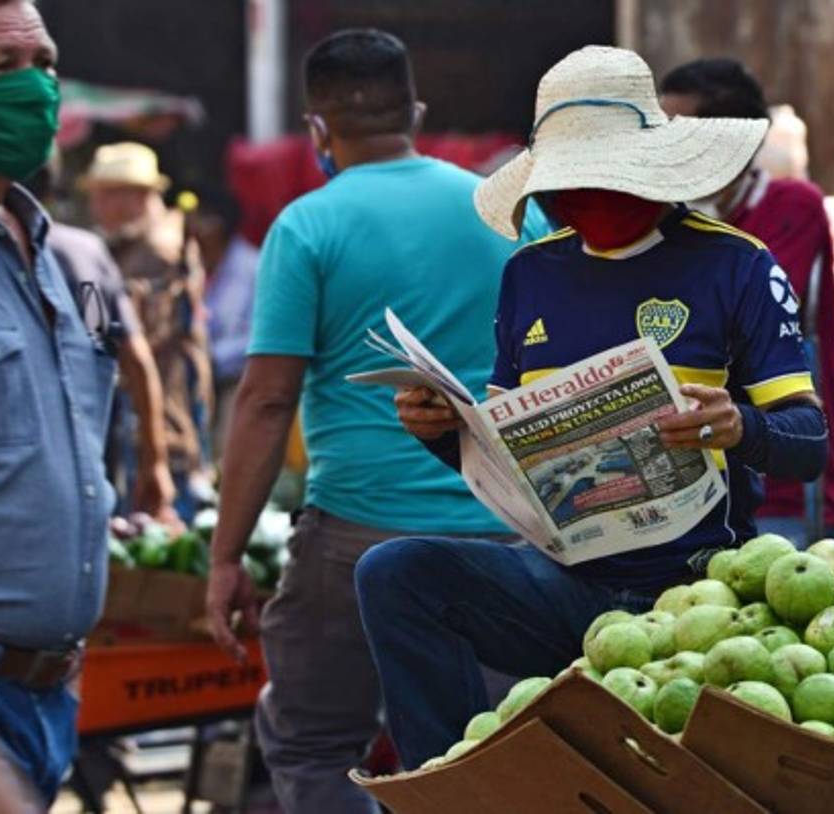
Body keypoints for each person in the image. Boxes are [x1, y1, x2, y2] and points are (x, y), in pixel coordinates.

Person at [356, 45, 829, 769]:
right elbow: (513, 461)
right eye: (563, 185)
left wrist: (741, 426)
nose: (577, 200)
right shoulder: (531, 274)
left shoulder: (736, 264)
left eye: (594, 180)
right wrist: (442, 433)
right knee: (393, 572)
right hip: (566, 581)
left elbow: (810, 437)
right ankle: (451, 783)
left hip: (701, 594)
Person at [204, 30, 546, 813]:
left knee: (314, 742)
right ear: (415, 111)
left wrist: (226, 557)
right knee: (490, 755)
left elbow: (264, 400)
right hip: (504, 533)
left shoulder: (307, 226)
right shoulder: (501, 215)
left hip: (356, 538)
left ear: (317, 129)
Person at [0, 0, 116, 806]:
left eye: (44, 64)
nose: (38, 91)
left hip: (49, 693)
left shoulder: (50, 252)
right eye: (1, 71)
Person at [658, 58, 834, 546]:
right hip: (685, 483)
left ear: (733, 142)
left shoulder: (792, 206)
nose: (666, 146)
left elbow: (748, 311)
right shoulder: (662, 220)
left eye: (681, 131)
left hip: (781, 483)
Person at [25, 163, 179, 525]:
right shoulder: (83, 252)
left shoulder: (82, 254)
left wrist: (154, 461)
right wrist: (153, 461)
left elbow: (114, 343)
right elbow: (122, 351)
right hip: (89, 447)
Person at [81, 141, 213, 522]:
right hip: (149, 429)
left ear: (135, 197)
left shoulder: (157, 252)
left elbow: (134, 340)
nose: (97, 208)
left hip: (160, 432)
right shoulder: (137, 246)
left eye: (105, 197)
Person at [195, 189, 259, 455]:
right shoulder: (193, 263)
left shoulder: (252, 267)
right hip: (200, 381)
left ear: (216, 225)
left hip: (239, 381)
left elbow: (260, 339)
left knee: (231, 452)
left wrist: (209, 357)